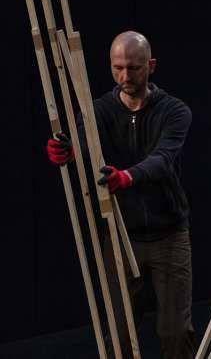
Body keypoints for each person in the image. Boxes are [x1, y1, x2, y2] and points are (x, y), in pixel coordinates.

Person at [46, 31, 194, 359]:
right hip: (118, 232)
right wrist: (67, 152)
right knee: (120, 333)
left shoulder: (174, 111)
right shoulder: (98, 110)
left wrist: (126, 177)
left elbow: (163, 160)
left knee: (176, 331)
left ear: (150, 66)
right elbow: (83, 145)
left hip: (168, 234)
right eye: (118, 68)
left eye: (134, 68)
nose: (125, 76)